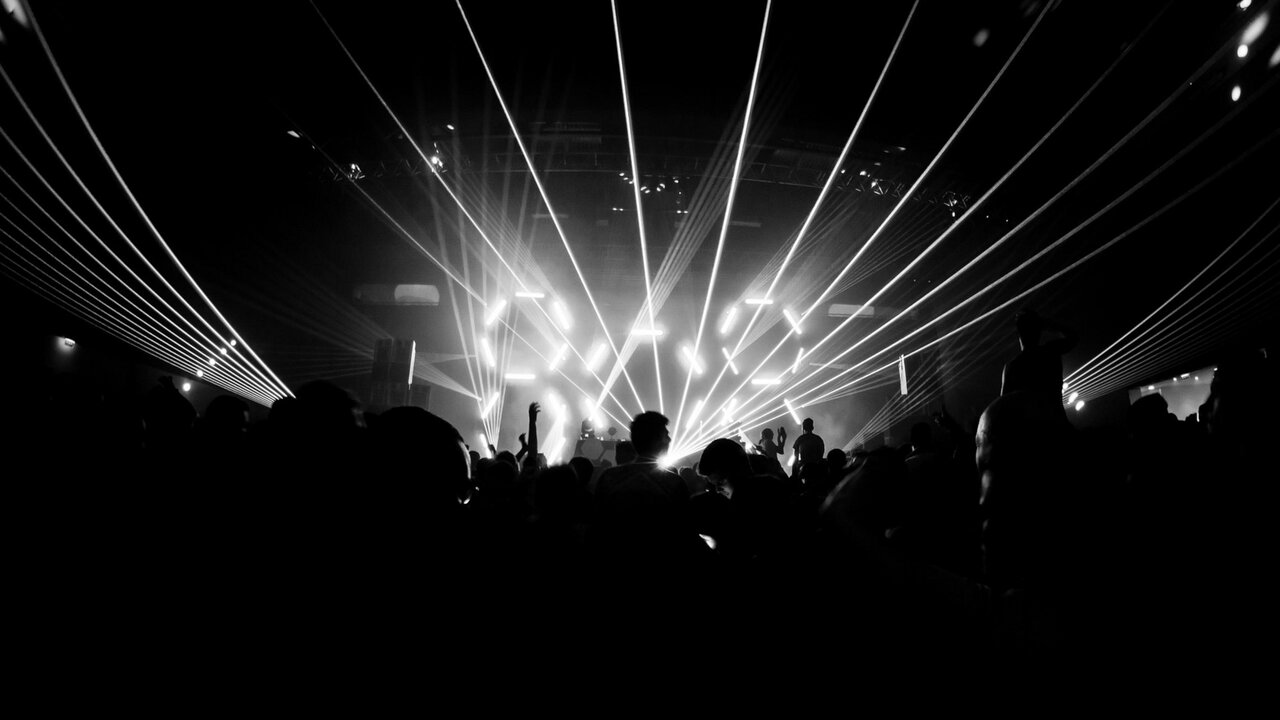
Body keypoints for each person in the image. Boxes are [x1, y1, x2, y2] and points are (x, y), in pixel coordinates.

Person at [1000, 309, 1077, 405]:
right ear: (1040, 331)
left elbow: (1003, 405)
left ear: (1018, 333)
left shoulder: (1012, 366)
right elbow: (1074, 337)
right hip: (1053, 414)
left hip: (1029, 415)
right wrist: (1050, 324)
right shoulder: (1051, 352)